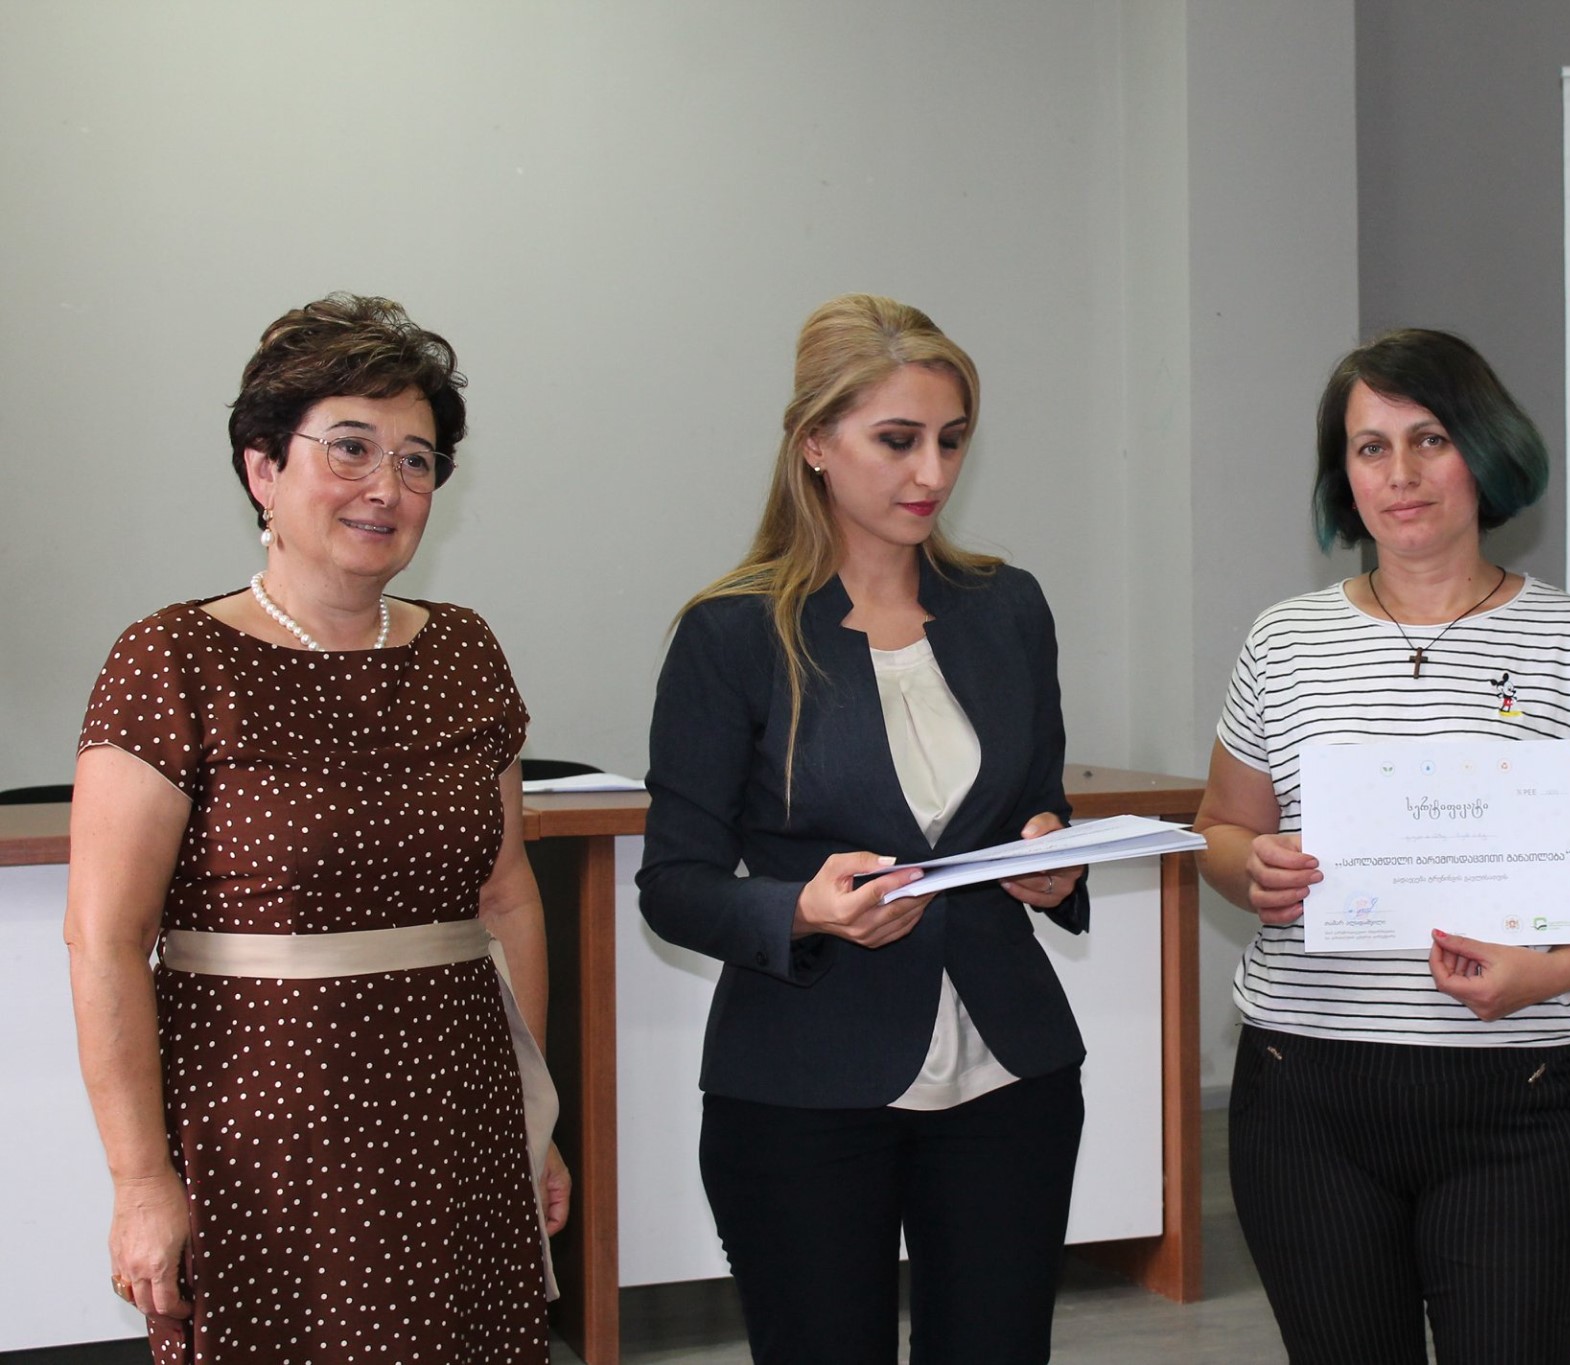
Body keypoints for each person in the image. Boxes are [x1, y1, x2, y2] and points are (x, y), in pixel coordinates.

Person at [64, 294, 570, 1364]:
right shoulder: (171, 660)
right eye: (350, 448)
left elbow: (507, 896)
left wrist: (537, 1122)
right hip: (266, 1144)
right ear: (263, 468)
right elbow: (105, 938)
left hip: (461, 1123)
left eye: (417, 461)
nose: (386, 486)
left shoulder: (466, 652)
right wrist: (140, 1180)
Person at [1193, 329, 1570, 1364]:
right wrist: (1251, 867)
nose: (1400, 474)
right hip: (1303, 1095)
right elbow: (1220, 829)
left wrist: (1549, 969)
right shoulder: (1283, 641)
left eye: (1430, 439)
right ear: (1343, 474)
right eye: (1369, 448)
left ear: (1484, 450)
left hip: (1516, 1097)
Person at [638, 294, 1087, 1365]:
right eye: (897, 440)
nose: (931, 472)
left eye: (951, 440)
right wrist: (800, 910)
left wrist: (1050, 860)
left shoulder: (1008, 608)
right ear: (814, 443)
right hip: (802, 1086)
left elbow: (1040, 804)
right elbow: (675, 883)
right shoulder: (732, 633)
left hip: (1009, 1074)